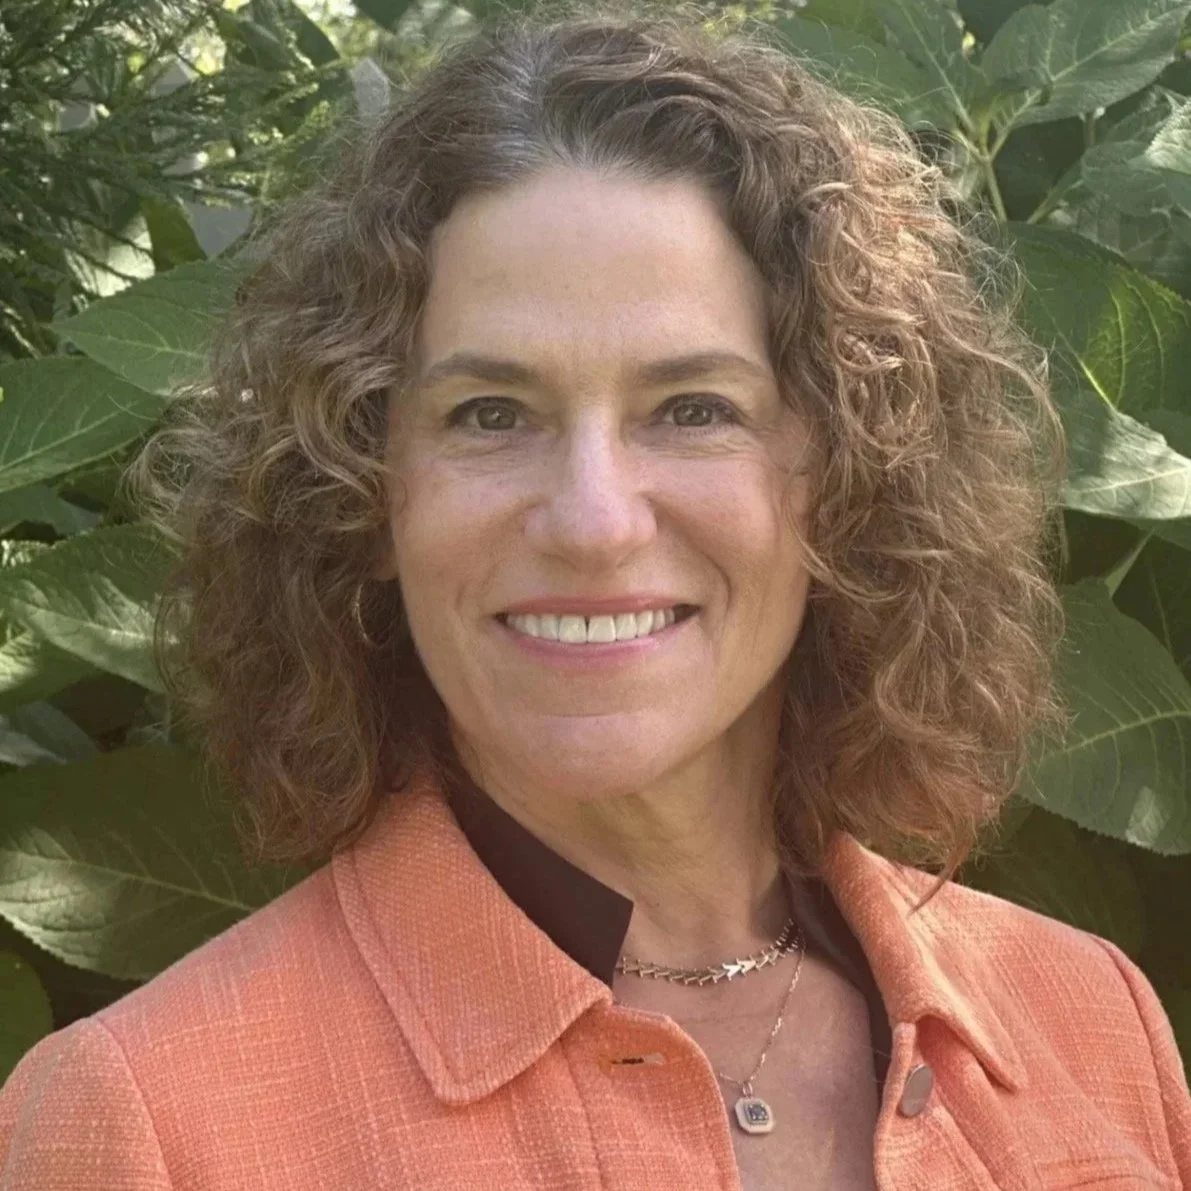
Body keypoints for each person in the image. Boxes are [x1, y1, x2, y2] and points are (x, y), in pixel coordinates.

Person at [2, 4, 1189, 1189]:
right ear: (362, 493)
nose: (594, 520)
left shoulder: (1094, 1025)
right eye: (490, 415)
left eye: (693, 409)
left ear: (848, 478)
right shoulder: (146, 1122)